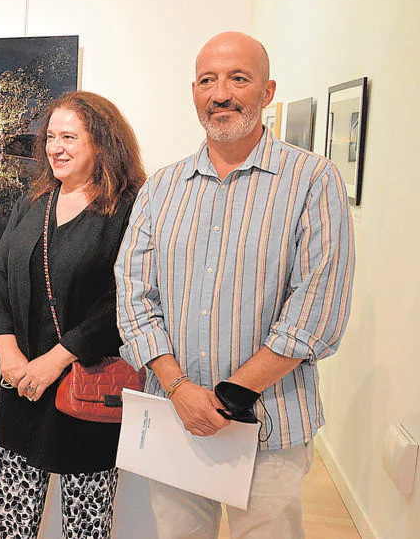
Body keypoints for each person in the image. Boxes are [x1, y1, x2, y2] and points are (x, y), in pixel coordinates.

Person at [116, 32, 354, 538]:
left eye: (237, 78)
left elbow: (317, 310)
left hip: (270, 426)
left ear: (267, 92)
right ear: (194, 92)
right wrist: (179, 389)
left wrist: (227, 397)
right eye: (208, 80)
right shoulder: (162, 187)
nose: (220, 93)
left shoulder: (313, 180)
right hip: (176, 422)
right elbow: (132, 293)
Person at [0, 91, 145, 538]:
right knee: (7, 523)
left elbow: (124, 299)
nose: (55, 147)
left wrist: (57, 358)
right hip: (23, 387)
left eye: (69, 136)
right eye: (51, 136)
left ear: (102, 144)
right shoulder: (36, 200)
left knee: (85, 528)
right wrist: (8, 352)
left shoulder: (129, 208)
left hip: (87, 386)